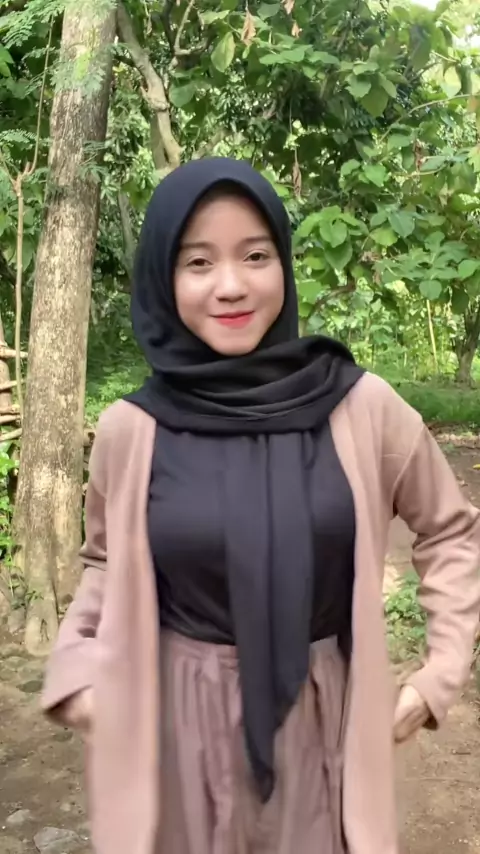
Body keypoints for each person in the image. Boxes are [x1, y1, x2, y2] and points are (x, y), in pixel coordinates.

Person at [42, 158, 480, 854]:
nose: (231, 286)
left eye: (255, 255)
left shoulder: (361, 407)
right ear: (163, 277)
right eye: (198, 262)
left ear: (283, 264)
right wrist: (79, 672)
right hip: (176, 725)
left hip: (323, 720)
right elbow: (103, 563)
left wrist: (437, 676)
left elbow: (451, 530)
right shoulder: (132, 430)